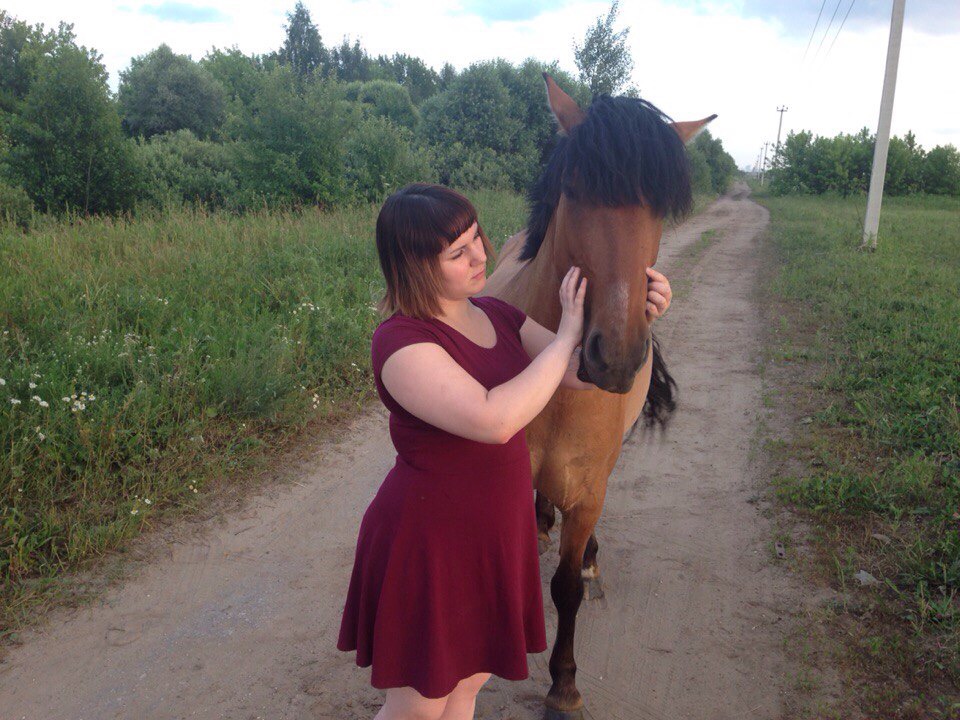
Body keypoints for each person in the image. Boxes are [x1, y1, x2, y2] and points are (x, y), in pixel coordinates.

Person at [336, 183, 672, 720]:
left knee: (467, 689)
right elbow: (494, 420)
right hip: (431, 544)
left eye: (477, 238)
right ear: (414, 267)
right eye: (458, 252)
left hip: (494, 538)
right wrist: (566, 332)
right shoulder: (401, 343)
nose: (481, 256)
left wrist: (638, 320)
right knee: (418, 707)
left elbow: (577, 373)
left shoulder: (496, 314)